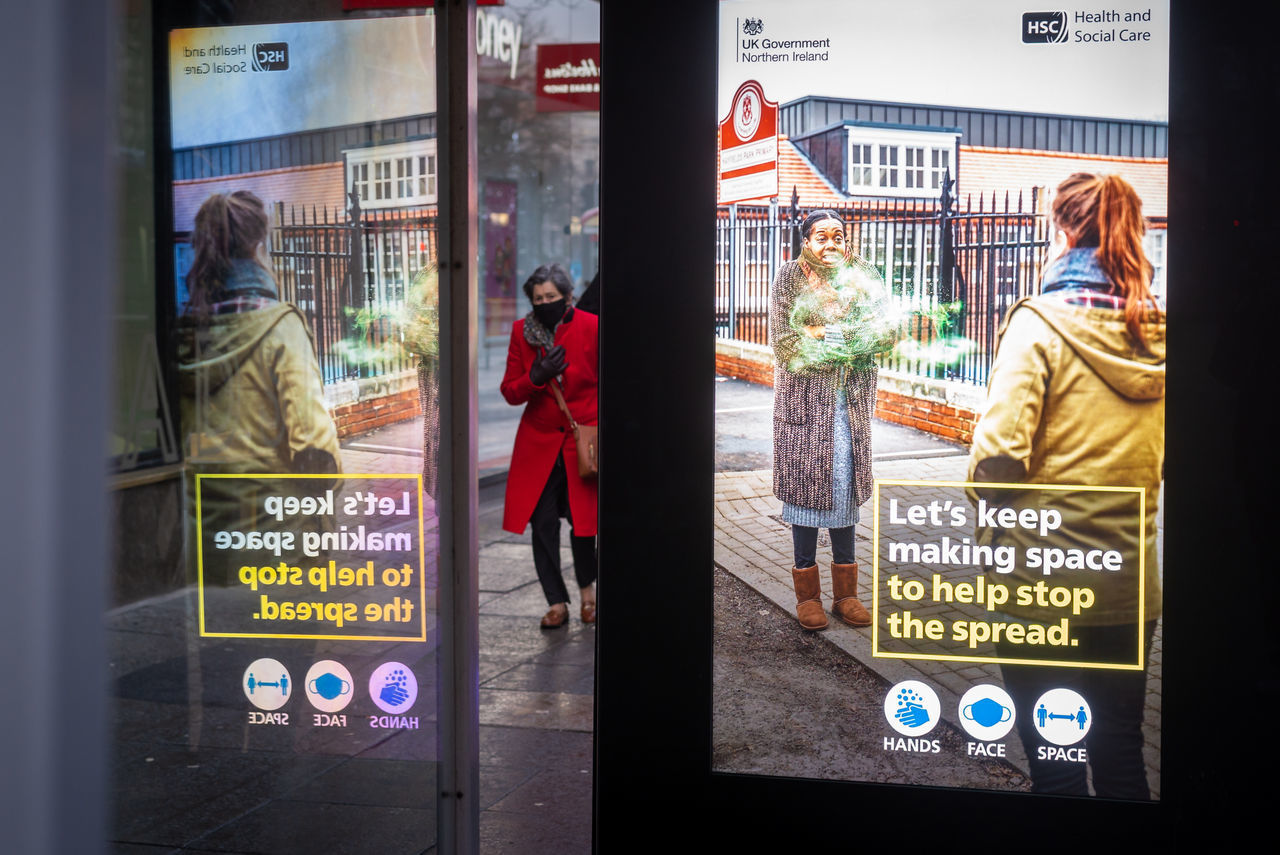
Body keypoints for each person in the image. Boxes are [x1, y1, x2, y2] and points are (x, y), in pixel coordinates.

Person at [967, 173, 1164, 799]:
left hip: (1037, 582)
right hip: (1129, 584)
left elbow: (998, 457)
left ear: (1064, 230)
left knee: (1053, 761)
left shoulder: (1039, 325)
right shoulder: (1160, 333)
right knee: (1121, 751)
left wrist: (985, 503)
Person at [177, 190, 340, 547]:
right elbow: (316, 449)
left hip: (204, 540)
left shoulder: (180, 333)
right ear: (258, 246)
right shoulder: (282, 328)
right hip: (275, 541)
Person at [771, 209, 897, 631]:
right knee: (806, 497)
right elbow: (784, 342)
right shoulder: (790, 276)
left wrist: (846, 338)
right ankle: (808, 598)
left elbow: (887, 331)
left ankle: (847, 595)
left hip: (850, 407)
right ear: (806, 241)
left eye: (838, 237)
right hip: (806, 408)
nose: (831, 244)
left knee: (845, 496)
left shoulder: (864, 273)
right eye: (821, 237)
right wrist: (831, 343)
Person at [500, 263, 599, 629]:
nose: (545, 303)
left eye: (551, 297)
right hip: (538, 444)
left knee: (584, 524)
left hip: (581, 441)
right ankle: (557, 603)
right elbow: (510, 391)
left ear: (567, 297)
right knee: (542, 525)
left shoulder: (591, 327)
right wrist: (535, 377)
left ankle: (589, 596)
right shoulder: (520, 333)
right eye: (538, 298)